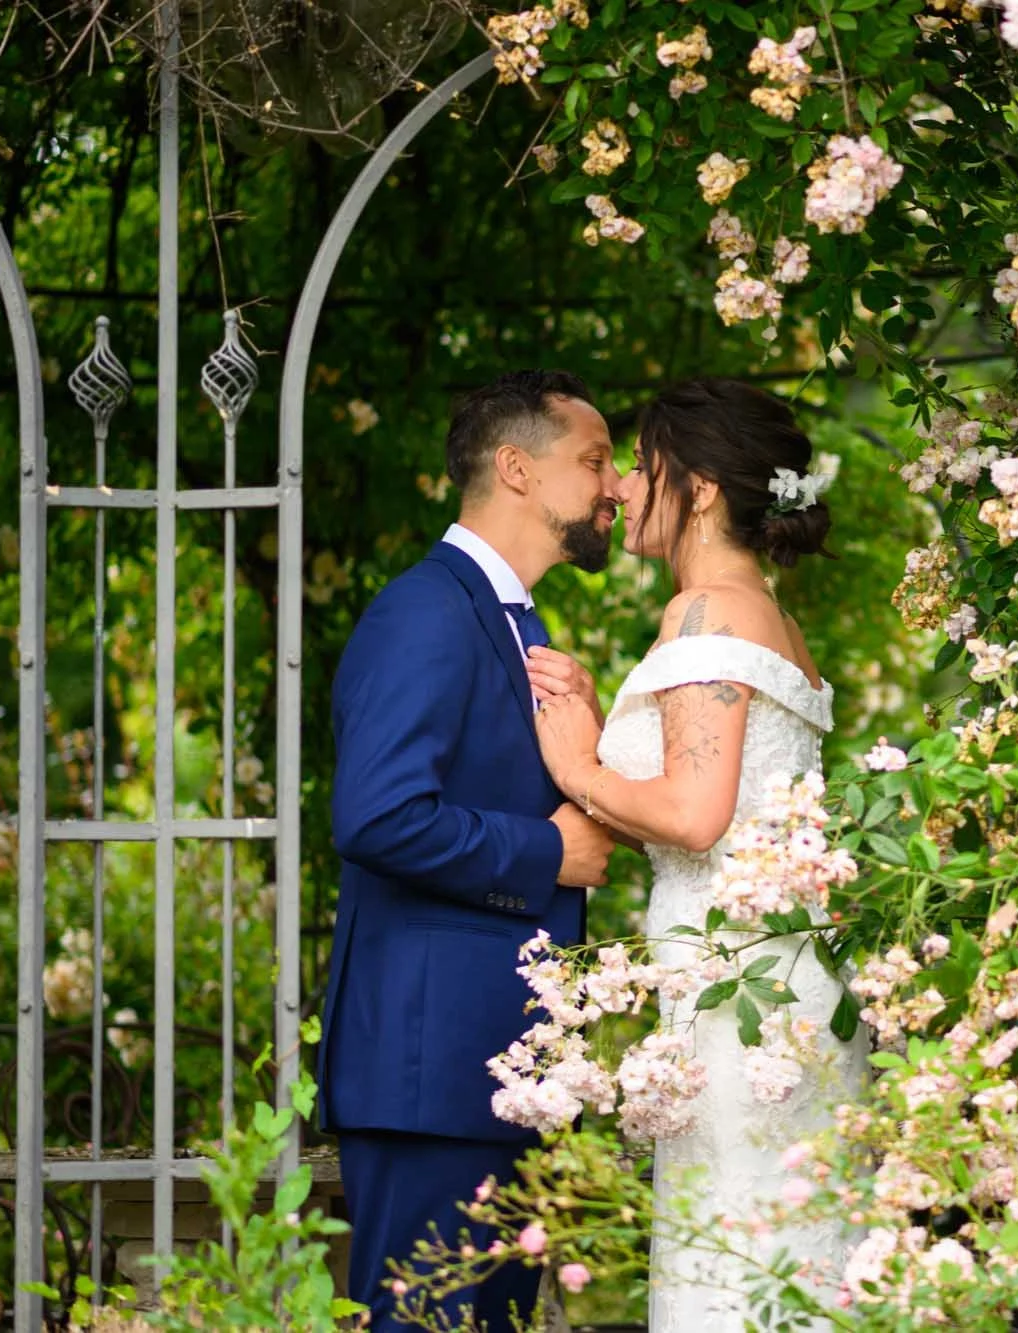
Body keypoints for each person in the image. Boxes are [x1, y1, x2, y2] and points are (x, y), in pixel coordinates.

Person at [532, 377, 868, 1329]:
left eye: (641, 467)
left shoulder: (705, 615)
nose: (624, 490)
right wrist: (603, 733)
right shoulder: (771, 619)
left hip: (739, 1002)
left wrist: (575, 766)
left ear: (705, 487)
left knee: (736, 1255)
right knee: (777, 1251)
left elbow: (693, 813)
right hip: (772, 979)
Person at [323, 369, 621, 1329]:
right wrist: (547, 852)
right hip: (429, 1076)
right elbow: (375, 816)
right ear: (516, 469)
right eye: (593, 460)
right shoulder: (425, 612)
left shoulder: (513, 621)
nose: (613, 486)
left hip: (492, 1073)